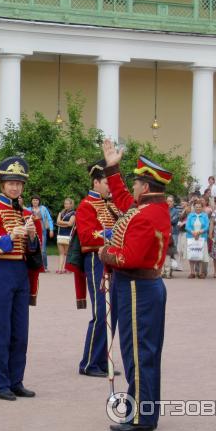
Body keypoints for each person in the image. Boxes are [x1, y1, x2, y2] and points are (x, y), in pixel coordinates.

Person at [99, 140, 171, 431]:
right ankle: (144, 409)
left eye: (137, 183)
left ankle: (142, 417)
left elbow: (129, 258)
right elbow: (123, 199)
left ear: (145, 187)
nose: (134, 188)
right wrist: (112, 166)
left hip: (136, 288)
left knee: (139, 354)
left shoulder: (147, 215)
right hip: (139, 287)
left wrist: (104, 253)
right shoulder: (148, 209)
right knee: (141, 353)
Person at [0, 156, 42, 401]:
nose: (14, 187)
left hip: (20, 273)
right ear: (2, 185)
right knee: (1, 329)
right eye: (10, 183)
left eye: (18, 183)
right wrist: (9, 236)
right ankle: (1, 384)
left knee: (20, 331)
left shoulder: (26, 213)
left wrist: (33, 237)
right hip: (0, 271)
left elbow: (33, 251)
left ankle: (17, 381)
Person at [75, 159, 121, 378]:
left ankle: (103, 360)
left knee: (113, 313)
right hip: (96, 261)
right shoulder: (86, 205)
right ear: (95, 182)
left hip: (111, 260)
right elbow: (86, 237)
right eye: (106, 183)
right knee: (101, 312)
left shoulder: (110, 206)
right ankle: (88, 363)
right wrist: (110, 234)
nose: (109, 187)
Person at [27, 195, 54, 271]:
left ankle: (44, 266)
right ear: (31, 201)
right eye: (33, 200)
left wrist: (51, 229)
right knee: (31, 249)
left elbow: (49, 219)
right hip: (31, 232)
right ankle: (33, 266)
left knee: (43, 250)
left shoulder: (43, 209)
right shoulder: (28, 209)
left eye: (36, 200)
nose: (35, 201)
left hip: (42, 231)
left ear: (39, 201)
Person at [185, 199, 210, 279]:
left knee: (201, 254)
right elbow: (187, 226)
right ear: (194, 207)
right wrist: (193, 232)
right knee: (191, 254)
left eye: (199, 207)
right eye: (196, 207)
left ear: (202, 207)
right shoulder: (190, 215)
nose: (198, 208)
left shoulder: (205, 215)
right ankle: (192, 272)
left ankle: (200, 272)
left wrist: (199, 232)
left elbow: (207, 226)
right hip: (191, 237)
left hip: (202, 237)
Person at [55, 198, 76, 274]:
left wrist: (61, 223)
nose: (66, 205)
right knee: (61, 253)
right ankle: (60, 269)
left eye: (67, 203)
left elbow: (70, 223)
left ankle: (67, 268)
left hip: (68, 235)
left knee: (67, 253)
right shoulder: (61, 212)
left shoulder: (73, 213)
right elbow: (57, 221)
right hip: (60, 234)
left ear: (71, 204)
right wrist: (65, 223)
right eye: (65, 203)